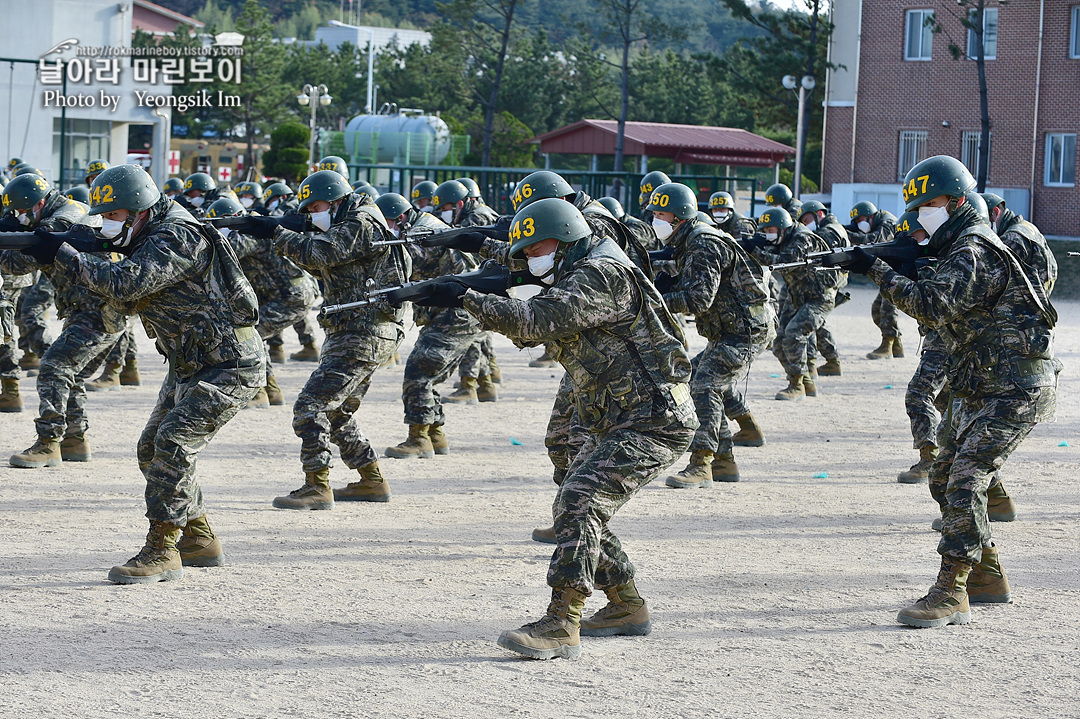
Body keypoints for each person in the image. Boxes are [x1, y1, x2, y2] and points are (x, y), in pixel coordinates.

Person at [419, 198, 696, 659]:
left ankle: (561, 622)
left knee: (581, 499)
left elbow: (536, 321)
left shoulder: (601, 272)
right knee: (577, 506)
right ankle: (627, 605)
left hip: (656, 420)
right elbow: (534, 324)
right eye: (524, 253)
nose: (531, 258)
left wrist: (465, 296)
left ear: (566, 238)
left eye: (536, 249)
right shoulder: (573, 269)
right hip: (617, 415)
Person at [827, 155, 1061, 628]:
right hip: (982, 385)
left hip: (1015, 387)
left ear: (957, 201)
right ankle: (987, 575)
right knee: (942, 476)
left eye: (930, 203)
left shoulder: (974, 248)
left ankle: (950, 590)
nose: (921, 213)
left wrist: (877, 268)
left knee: (964, 480)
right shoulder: (956, 247)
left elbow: (931, 307)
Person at [38, 163, 266, 582]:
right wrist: (75, 248)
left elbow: (126, 285)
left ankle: (162, 549)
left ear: (140, 210)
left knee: (173, 442)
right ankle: (198, 538)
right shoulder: (145, 234)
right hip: (191, 360)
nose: (106, 224)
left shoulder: (176, 234)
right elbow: (126, 301)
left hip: (231, 362)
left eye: (113, 216)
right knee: (150, 449)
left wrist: (64, 255)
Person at [271, 170, 410, 509]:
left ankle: (317, 486)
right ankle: (371, 480)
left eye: (315, 206)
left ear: (335, 200)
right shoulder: (351, 221)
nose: (312, 214)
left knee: (311, 407)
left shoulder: (361, 222)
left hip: (363, 331)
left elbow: (320, 254)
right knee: (337, 412)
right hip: (358, 329)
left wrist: (275, 232)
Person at [647, 183, 774, 488]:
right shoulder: (691, 239)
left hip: (744, 332)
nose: (656, 220)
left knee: (704, 385)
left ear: (678, 216)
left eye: (661, 213)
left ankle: (701, 463)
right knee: (705, 380)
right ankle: (726, 461)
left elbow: (697, 299)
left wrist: (655, 300)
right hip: (731, 330)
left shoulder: (703, 242)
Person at [0, 174, 123, 467]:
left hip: (97, 310)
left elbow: (16, 264)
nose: (20, 217)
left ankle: (48, 443)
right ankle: (75, 440)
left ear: (39, 203)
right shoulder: (63, 211)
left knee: (54, 368)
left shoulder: (62, 220)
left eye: (21, 212)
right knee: (72, 374)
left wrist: (11, 238)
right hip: (93, 309)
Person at [376, 192, 482, 459]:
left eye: (384, 224)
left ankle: (419, 438)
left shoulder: (422, 232)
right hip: (452, 311)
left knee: (418, 371)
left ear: (399, 218)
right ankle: (435, 434)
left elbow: (410, 259)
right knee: (428, 371)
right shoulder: (420, 224)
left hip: (456, 312)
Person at [749, 207, 841, 401]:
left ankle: (796, 385)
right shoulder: (784, 238)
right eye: (765, 231)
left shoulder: (802, 238)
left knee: (794, 334)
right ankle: (806, 381)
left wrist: (756, 251)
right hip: (797, 295)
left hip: (819, 297)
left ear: (783, 228)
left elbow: (787, 262)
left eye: (771, 230)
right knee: (778, 340)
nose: (768, 235)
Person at [432, 179, 501, 400]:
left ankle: (469, 387)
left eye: (445, 209)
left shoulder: (476, 217)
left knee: (470, 334)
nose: (443, 213)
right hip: (490, 282)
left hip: (485, 283)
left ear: (460, 203)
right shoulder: (481, 212)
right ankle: (485, 384)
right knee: (479, 337)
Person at [796, 200, 848, 376]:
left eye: (807, 219)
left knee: (807, 324)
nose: (805, 224)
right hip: (829, 284)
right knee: (817, 324)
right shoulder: (832, 228)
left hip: (825, 286)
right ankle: (832, 361)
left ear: (819, 215)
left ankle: (810, 369)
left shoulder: (828, 232)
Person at [846, 200, 901, 359]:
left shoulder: (887, 222)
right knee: (877, 309)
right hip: (892, 270)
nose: (859, 223)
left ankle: (888, 345)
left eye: (860, 219)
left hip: (900, 271)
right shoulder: (879, 222)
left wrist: (847, 235)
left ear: (870, 215)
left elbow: (875, 240)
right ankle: (896, 344)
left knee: (887, 307)